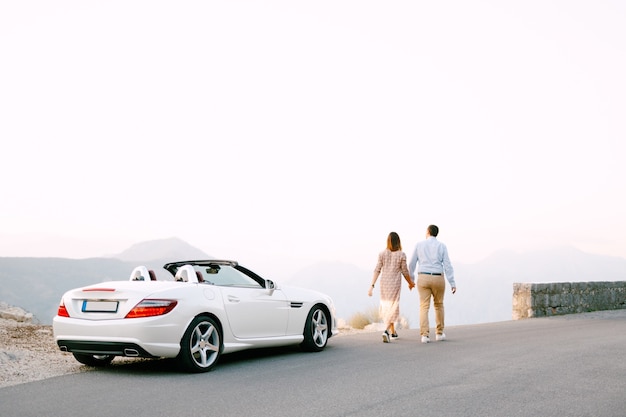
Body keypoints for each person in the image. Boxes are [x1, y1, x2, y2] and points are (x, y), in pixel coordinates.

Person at [408, 224, 456, 344]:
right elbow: (448, 265)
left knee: (424, 306)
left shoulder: (419, 245)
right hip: (438, 277)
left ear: (428, 232)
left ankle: (425, 335)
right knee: (439, 305)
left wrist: (411, 280)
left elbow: (411, 264)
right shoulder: (442, 246)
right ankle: (439, 333)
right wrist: (452, 282)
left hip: (423, 277)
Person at [368, 232, 415, 343]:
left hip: (384, 284)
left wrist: (372, 286)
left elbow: (377, 270)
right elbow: (404, 271)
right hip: (394, 284)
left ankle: (393, 333)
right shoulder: (401, 255)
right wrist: (410, 283)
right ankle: (386, 331)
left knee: (387, 307)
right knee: (393, 307)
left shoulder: (382, 254)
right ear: (398, 241)